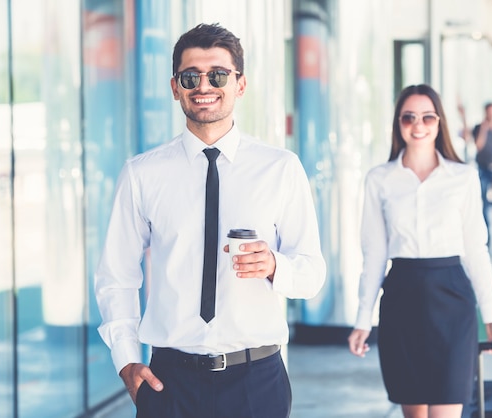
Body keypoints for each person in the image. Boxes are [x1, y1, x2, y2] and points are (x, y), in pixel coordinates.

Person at [94, 23, 326, 418]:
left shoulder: (281, 169)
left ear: (240, 84)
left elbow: (312, 273)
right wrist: (126, 359)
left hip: (257, 380)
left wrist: (274, 266)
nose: (204, 86)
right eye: (191, 77)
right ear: (174, 87)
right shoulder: (142, 174)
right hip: (169, 382)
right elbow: (116, 275)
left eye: (218, 75)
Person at [348, 84, 492, 418]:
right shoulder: (379, 180)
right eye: (408, 117)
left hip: (452, 300)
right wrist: (363, 318)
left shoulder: (463, 177)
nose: (418, 125)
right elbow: (374, 253)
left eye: (427, 117)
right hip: (401, 299)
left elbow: (476, 250)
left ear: (439, 122)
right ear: (398, 123)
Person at [458, 102, 492, 244]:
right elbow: (478, 145)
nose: (490, 115)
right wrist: (484, 129)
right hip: (483, 169)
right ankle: (488, 238)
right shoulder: (479, 128)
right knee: (484, 205)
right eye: (488, 112)